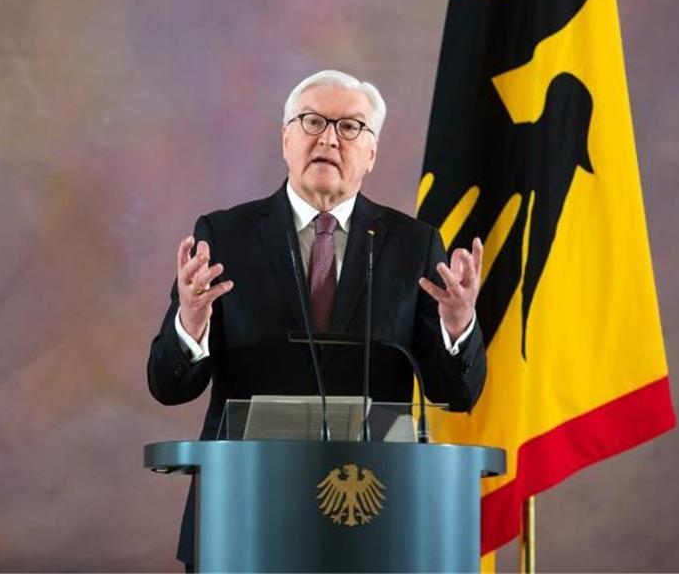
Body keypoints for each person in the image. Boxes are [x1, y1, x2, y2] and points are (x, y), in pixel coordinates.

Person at [146, 69, 487, 568]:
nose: (328, 137)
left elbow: (456, 393)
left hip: (375, 516)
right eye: (311, 122)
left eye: (350, 127)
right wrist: (191, 323)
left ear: (371, 153)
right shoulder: (224, 236)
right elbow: (168, 384)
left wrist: (457, 326)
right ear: (286, 138)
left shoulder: (414, 244)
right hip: (246, 515)